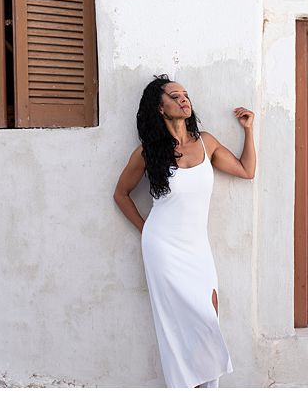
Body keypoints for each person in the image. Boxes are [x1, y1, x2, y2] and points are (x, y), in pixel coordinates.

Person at [111, 76, 256, 387]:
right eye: (174, 96)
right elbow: (120, 194)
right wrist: (145, 229)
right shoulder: (147, 153)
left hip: (197, 247)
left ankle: (209, 388)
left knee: (208, 316)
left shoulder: (206, 141)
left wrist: (248, 130)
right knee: (176, 326)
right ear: (160, 108)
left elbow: (247, 171)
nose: (183, 100)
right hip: (162, 247)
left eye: (185, 95)